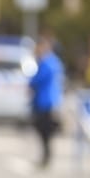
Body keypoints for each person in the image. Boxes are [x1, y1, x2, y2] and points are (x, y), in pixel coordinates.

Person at [27, 35, 64, 170]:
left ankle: (46, 156)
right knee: (43, 129)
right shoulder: (54, 62)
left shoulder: (47, 62)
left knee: (44, 129)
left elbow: (37, 80)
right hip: (47, 100)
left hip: (45, 100)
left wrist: (30, 83)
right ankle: (45, 156)